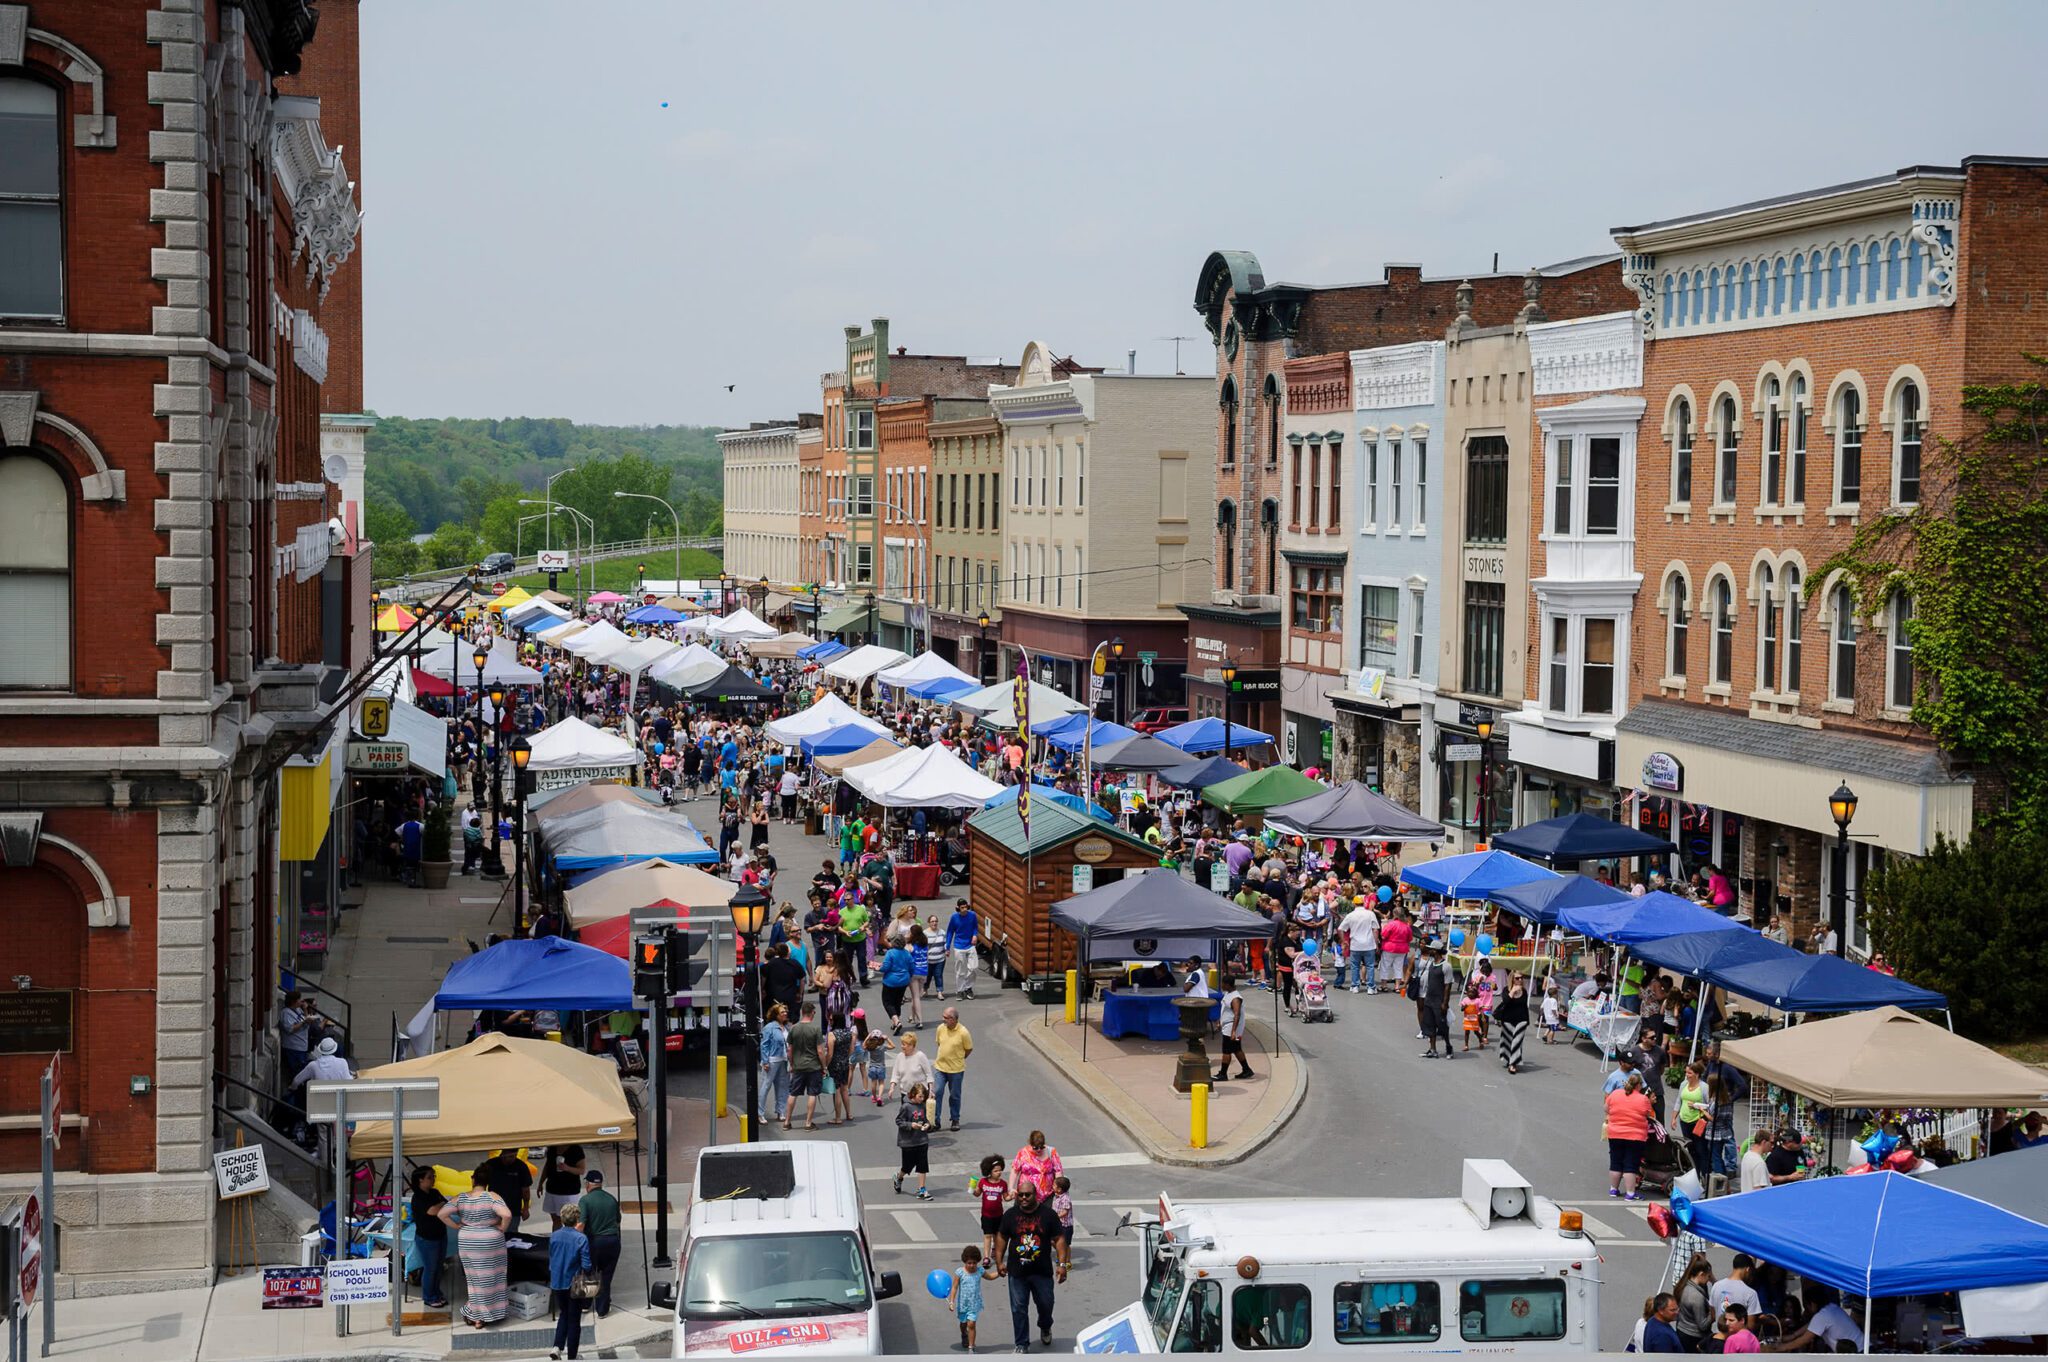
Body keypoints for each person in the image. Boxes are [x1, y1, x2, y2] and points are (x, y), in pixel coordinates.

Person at [439, 1164, 513, 1328]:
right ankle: (485, 1314)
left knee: (474, 1280)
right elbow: (506, 1214)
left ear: (472, 1180)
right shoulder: (492, 1197)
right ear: (488, 1182)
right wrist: (502, 1227)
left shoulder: (462, 1197)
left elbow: (441, 1213)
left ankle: (477, 1314)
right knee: (493, 1278)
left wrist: (456, 1226)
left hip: (468, 1239)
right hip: (490, 1239)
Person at [995, 1182, 1066, 1353]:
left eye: (1027, 1195)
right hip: (1017, 1273)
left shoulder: (1048, 1215)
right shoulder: (1010, 1215)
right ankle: (1021, 1344)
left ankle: (1045, 1325)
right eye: (1021, 1195)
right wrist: (998, 1261)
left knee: (1046, 1304)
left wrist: (1062, 1265)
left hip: (1042, 1272)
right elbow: (1002, 1237)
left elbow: (1060, 1240)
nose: (1024, 1198)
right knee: (1018, 1308)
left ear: (1036, 1194)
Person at [547, 1203, 593, 1360]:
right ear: (577, 1219)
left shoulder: (554, 1236)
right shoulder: (581, 1238)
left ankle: (557, 1346)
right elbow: (587, 1265)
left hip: (557, 1281)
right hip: (574, 1283)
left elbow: (552, 1257)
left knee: (564, 1314)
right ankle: (572, 1356)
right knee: (574, 1320)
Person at [576, 1170, 622, 1318]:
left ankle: (586, 1304)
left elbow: (581, 1224)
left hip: (594, 1241)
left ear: (588, 1184)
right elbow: (618, 1220)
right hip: (613, 1241)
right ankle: (602, 1309)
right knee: (606, 1275)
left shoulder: (585, 1200)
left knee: (590, 1272)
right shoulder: (612, 1199)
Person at [1605, 1071, 1655, 1200]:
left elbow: (1606, 1109)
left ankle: (1613, 1189)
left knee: (1615, 1162)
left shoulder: (1615, 1094)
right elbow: (1649, 1114)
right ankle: (1630, 1193)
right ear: (1638, 1086)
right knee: (1630, 1165)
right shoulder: (1643, 1099)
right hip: (1635, 1136)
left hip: (1615, 1133)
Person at [1769, 1287, 1864, 1353]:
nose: (1806, 1309)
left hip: (1858, 1352)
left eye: (1807, 1305)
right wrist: (1778, 1339)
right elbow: (1799, 1333)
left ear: (1813, 1304)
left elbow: (1804, 1339)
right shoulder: (1830, 1308)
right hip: (1861, 1348)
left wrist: (1783, 1347)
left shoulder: (1822, 1316)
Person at [409, 1166, 450, 1310]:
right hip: (427, 1239)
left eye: (434, 1176)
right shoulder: (418, 1197)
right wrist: (441, 1205)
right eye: (430, 1177)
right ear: (420, 1180)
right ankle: (429, 1296)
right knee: (430, 1268)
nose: (433, 1180)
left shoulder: (434, 1192)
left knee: (439, 1267)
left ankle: (436, 1293)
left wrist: (441, 1204)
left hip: (440, 1235)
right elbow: (433, 1211)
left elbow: (447, 1205)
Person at [785, 1001, 826, 1130]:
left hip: (798, 1066)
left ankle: (787, 1121)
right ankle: (808, 1123)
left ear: (802, 1012)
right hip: (813, 1066)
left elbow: (790, 1050)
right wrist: (824, 1066)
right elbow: (820, 1050)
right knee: (812, 1094)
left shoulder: (794, 1028)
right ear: (812, 1012)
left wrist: (792, 1064)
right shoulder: (816, 1029)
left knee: (793, 1093)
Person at [934, 1007, 972, 1131]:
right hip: (940, 1067)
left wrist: (959, 1058)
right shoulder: (940, 1028)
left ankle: (955, 1119)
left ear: (953, 1019)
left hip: (956, 1070)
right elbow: (939, 1043)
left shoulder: (963, 1032)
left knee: (955, 1095)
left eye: (946, 1018)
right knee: (937, 1092)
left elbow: (968, 1049)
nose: (943, 1020)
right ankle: (935, 1120)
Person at [1412, 943, 1453, 1059]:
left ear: (1436, 951)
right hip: (1429, 999)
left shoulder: (1446, 966)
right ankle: (1432, 1049)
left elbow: (1447, 986)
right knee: (1429, 1025)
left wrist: (1444, 1003)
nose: (1429, 950)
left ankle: (1448, 1047)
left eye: (1431, 949)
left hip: (1439, 1001)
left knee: (1442, 1026)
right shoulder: (1431, 964)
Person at [895, 1081, 934, 1199]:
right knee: (907, 1166)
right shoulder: (906, 1107)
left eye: (923, 1097)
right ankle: (899, 1177)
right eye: (920, 1096)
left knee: (922, 1165)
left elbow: (926, 1119)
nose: (922, 1099)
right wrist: (911, 1125)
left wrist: (928, 1125)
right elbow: (899, 1121)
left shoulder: (923, 1106)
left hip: (922, 1140)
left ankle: (922, 1189)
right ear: (913, 1095)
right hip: (908, 1142)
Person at [1213, 975, 1254, 1082]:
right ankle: (1247, 1070)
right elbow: (1225, 1010)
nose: (1221, 985)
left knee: (1226, 1051)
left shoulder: (1235, 998)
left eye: (1222, 983)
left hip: (1231, 1028)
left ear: (1227, 984)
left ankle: (1223, 1074)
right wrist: (1220, 1020)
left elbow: (1237, 1015)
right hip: (1227, 1025)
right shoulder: (1228, 994)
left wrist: (1233, 1032)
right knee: (1236, 1049)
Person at [949, 1244, 989, 1354]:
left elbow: (990, 1277)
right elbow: (954, 1287)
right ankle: (963, 1333)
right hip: (963, 1304)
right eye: (969, 1263)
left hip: (974, 1304)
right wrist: (951, 1301)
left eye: (974, 1263)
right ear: (965, 1262)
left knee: (971, 1324)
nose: (972, 1265)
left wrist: (1000, 1273)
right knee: (963, 1323)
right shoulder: (960, 1272)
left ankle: (971, 1347)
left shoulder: (980, 1271)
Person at [540, 1143, 585, 1229]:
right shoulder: (552, 1148)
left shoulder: (576, 1149)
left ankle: (571, 1240)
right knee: (555, 1220)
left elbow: (581, 1170)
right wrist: (540, 1183)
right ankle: (556, 1240)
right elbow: (547, 1166)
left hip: (569, 1191)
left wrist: (567, 1168)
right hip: (552, 1189)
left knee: (571, 1221)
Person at [759, 1003, 791, 1124]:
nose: (785, 1013)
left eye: (785, 1011)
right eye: (782, 1012)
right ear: (776, 1015)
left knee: (783, 1086)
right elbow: (764, 1045)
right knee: (766, 1086)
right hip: (772, 1060)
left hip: (784, 1060)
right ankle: (760, 1113)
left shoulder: (786, 1027)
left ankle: (780, 1111)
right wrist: (765, 1061)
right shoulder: (769, 1027)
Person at [1676, 1253, 1715, 1350]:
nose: (1708, 1280)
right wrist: (1712, 1314)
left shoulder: (1684, 1285)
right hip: (1694, 1337)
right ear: (1701, 1274)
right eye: (1708, 1276)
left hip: (1682, 1329)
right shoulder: (1696, 1297)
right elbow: (1703, 1325)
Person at [976, 1155, 1010, 1260]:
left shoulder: (1003, 1184)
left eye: (1000, 1170)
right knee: (987, 1236)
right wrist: (972, 1189)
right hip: (986, 1215)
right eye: (996, 1171)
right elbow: (977, 1193)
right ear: (989, 1172)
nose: (999, 1173)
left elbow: (1006, 1197)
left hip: (999, 1215)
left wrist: (1013, 1196)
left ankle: (995, 1249)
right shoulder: (983, 1182)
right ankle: (986, 1257)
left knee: (997, 1235)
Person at [1012, 1130, 1063, 1200]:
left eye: (1041, 1147)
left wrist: (1058, 1188)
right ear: (1031, 1144)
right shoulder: (1023, 1153)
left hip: (1047, 1194)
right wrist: (1011, 1188)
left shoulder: (1051, 1152)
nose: (1039, 1150)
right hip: (1026, 1195)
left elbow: (1058, 1171)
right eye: (1035, 1148)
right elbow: (1015, 1170)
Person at [1710, 1254, 1763, 1320]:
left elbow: (1713, 1315)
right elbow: (1750, 1325)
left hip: (1720, 1329)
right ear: (1748, 1269)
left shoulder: (1716, 1286)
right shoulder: (1750, 1293)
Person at [1495, 974, 1530, 1074]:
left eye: (1521, 977)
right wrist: (1513, 991)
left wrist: (1527, 1021)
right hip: (1507, 1019)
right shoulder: (1506, 990)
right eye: (1517, 978)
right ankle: (1509, 1059)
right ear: (1512, 979)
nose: (1520, 979)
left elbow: (1524, 1006)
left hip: (1521, 1020)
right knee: (1508, 1040)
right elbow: (1506, 1001)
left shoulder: (1524, 991)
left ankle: (1512, 1064)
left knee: (1516, 1041)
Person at [946, 900, 981, 999]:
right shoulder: (954, 917)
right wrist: (947, 947)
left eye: (966, 907)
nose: (964, 909)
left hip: (970, 945)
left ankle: (968, 987)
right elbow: (950, 932)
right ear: (958, 908)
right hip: (959, 946)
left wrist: (975, 935)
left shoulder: (972, 915)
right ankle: (960, 990)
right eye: (962, 908)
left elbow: (975, 927)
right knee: (960, 970)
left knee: (973, 968)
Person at [1050, 1175, 1076, 1272]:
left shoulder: (1065, 1198)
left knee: (1065, 1244)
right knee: (1053, 1241)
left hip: (1066, 1226)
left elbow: (1065, 1212)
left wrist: (1055, 1216)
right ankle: (1061, 1255)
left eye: (1054, 1185)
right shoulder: (1056, 1196)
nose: (1052, 1186)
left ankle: (1067, 1261)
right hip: (1058, 1225)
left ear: (1060, 1189)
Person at [1740, 1128, 1774, 1194]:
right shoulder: (1759, 1163)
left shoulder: (1747, 1155)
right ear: (1764, 1142)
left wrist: (1766, 1176)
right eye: (1771, 1142)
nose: (1772, 1146)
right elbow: (1759, 1190)